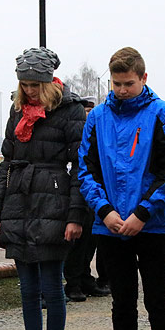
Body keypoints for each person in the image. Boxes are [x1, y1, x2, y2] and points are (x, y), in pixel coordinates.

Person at [78, 47, 165, 330]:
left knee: (157, 299)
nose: (122, 89)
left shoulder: (164, 114)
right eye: (117, 83)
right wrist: (104, 210)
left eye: (129, 83)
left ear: (144, 78)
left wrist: (142, 212)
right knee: (121, 301)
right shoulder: (98, 117)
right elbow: (85, 170)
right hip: (110, 226)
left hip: (152, 226)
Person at [0, 47, 86, 330]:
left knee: (52, 289)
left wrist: (75, 214)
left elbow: (82, 168)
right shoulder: (18, 114)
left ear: (47, 83)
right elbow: (6, 162)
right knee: (28, 291)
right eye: (24, 84)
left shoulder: (71, 111)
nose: (29, 91)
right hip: (19, 203)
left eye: (34, 84)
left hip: (55, 204)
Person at [63, 96, 111, 302]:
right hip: (77, 191)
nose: (89, 113)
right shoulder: (75, 131)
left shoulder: (100, 130)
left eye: (91, 109)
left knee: (91, 240)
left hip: (96, 192)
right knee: (77, 241)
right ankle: (73, 282)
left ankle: (84, 277)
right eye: (86, 110)